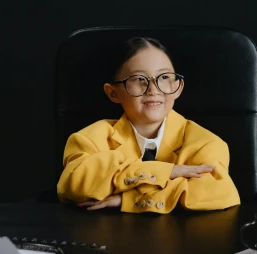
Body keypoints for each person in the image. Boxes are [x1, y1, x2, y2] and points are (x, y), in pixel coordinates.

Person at [56, 37, 241, 213]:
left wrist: (128, 200)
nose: (153, 90)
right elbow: (72, 184)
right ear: (113, 93)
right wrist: (167, 172)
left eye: (163, 78)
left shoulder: (206, 143)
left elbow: (220, 192)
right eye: (139, 79)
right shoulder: (88, 138)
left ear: (178, 87)